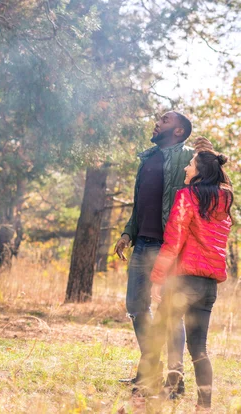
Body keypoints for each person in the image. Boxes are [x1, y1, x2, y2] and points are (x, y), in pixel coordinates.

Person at [114, 111, 212, 395]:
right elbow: (139, 203)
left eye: (165, 120)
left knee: (170, 314)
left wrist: (205, 154)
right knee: (135, 307)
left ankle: (174, 379)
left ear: (179, 131)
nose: (157, 122)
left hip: (169, 247)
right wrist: (127, 233)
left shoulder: (186, 157)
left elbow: (209, 176)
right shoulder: (147, 159)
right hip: (142, 242)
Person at [136, 151, 233, 412]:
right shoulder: (224, 199)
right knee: (199, 348)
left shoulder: (187, 196)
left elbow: (173, 242)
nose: (186, 169)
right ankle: (204, 406)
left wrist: (157, 278)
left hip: (184, 281)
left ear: (201, 170)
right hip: (208, 284)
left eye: (190, 165)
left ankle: (154, 392)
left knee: (158, 332)